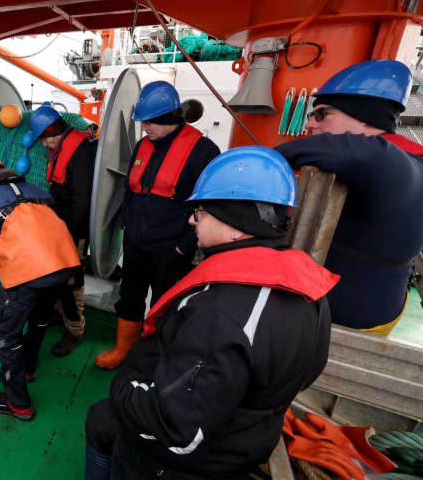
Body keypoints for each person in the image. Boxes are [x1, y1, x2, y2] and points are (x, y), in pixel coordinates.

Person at [84, 146, 338, 480]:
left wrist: (124, 390)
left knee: (102, 419)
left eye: (200, 211)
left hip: (195, 458)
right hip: (253, 431)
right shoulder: (304, 284)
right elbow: (309, 371)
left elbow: (175, 429)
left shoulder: (219, 312)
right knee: (102, 419)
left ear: (235, 224)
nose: (191, 219)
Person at [276, 59, 423, 334]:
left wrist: (265, 158)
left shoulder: (401, 166)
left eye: (321, 114)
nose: (309, 124)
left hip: (352, 326)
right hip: (352, 309)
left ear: (364, 115)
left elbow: (361, 153)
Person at [95, 81, 220, 370]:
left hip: (171, 247)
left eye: (150, 122)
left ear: (171, 118)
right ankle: (123, 350)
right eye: (144, 121)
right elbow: (130, 189)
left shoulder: (203, 151)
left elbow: (210, 205)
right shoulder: (143, 145)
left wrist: (184, 246)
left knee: (166, 304)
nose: (145, 127)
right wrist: (127, 224)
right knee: (130, 297)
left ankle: (154, 360)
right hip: (136, 242)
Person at [0, 155, 80, 420]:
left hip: (28, 272)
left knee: (7, 335)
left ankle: (19, 404)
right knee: (39, 319)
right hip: (64, 264)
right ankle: (28, 368)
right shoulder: (37, 191)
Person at [30, 105, 96, 357]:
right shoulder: (63, 147)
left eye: (47, 139)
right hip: (59, 227)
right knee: (55, 276)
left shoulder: (81, 153)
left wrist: (70, 237)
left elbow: (82, 200)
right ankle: (60, 313)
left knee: (70, 282)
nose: (46, 144)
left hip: (72, 231)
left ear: (55, 131)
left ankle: (75, 331)